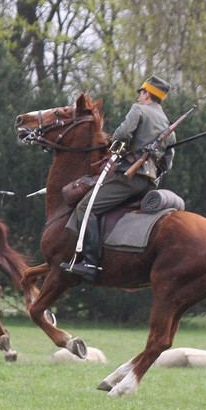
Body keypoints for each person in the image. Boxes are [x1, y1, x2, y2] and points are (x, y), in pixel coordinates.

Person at [64, 75, 175, 281]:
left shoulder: (139, 109)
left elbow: (122, 134)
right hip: (149, 183)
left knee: (86, 208)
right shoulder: (167, 122)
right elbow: (168, 161)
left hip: (129, 179)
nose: (140, 97)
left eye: (141, 93)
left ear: (147, 93)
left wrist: (116, 143)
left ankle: (89, 263)